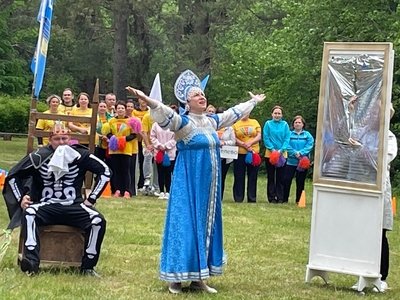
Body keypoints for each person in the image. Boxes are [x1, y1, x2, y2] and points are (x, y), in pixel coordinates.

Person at [126, 69, 265, 294]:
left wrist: (253, 101)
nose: (202, 97)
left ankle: (200, 277)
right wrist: (147, 98)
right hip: (188, 184)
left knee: (205, 224)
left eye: (203, 94)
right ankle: (176, 279)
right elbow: (161, 111)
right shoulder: (183, 123)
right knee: (185, 223)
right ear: (187, 102)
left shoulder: (211, 122)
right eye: (196, 95)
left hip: (208, 189)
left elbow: (234, 113)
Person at [2, 122, 111, 276]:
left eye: (64, 139)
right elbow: (13, 175)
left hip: (74, 205)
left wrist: (92, 199)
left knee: (98, 221)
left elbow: (105, 171)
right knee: (30, 213)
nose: (61, 142)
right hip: (47, 205)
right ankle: (31, 264)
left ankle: (87, 267)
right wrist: (21, 198)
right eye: (57, 139)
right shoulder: (38, 157)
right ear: (50, 140)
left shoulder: (81, 155)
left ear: (70, 139)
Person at [102, 101, 139, 198]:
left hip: (126, 149)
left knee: (125, 170)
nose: (120, 110)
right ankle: (117, 190)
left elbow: (134, 135)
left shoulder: (131, 121)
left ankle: (127, 190)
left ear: (125, 109)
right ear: (116, 109)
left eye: (122, 108)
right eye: (119, 108)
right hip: (114, 149)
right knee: (116, 170)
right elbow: (108, 132)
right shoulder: (111, 121)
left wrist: (124, 139)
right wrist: (114, 138)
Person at [283, 116, 314, 204]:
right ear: (293, 124)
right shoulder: (289, 134)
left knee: (300, 181)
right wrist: (294, 153)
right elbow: (286, 145)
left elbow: (310, 145)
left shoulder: (307, 135)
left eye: (299, 122)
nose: (297, 124)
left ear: (303, 124)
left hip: (302, 162)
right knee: (287, 180)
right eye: (296, 122)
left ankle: (299, 200)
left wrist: (301, 153)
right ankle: (285, 199)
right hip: (291, 161)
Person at [263, 105, 290, 203]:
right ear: (272, 114)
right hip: (270, 154)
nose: (277, 115)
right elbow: (266, 137)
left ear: (282, 115)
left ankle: (280, 197)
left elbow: (287, 138)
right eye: (275, 113)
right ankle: (271, 197)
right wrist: (272, 149)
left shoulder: (285, 124)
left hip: (282, 154)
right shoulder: (268, 124)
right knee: (271, 176)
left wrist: (281, 150)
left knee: (280, 177)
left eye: (279, 113)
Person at [232, 113, 261, 203]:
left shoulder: (255, 122)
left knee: (253, 176)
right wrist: (244, 144)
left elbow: (259, 136)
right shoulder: (235, 124)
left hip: (253, 152)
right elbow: (233, 138)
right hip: (240, 152)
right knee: (239, 175)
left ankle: (251, 198)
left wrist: (250, 143)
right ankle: (238, 197)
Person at [150, 118, 176, 200]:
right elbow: (152, 136)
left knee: (168, 173)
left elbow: (175, 138)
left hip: (170, 152)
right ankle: (161, 191)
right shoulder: (156, 124)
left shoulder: (173, 124)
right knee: (160, 172)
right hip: (159, 152)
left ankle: (168, 191)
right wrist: (159, 145)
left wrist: (166, 146)